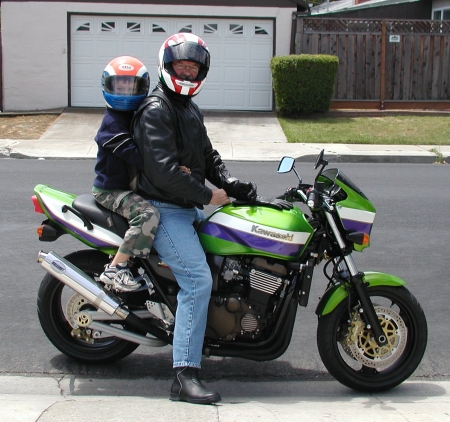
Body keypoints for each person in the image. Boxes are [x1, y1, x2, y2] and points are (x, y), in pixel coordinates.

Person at [131, 33, 257, 404]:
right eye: (182, 66)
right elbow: (166, 171)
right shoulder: (157, 109)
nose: (187, 72)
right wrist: (209, 194)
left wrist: (232, 184)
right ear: (167, 66)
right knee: (199, 281)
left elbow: (207, 155)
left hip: (186, 207)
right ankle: (184, 376)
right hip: (165, 210)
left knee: (227, 263)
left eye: (193, 67)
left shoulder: (188, 107)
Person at [92, 56, 160, 292]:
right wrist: (168, 167)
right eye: (118, 86)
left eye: (130, 86)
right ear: (108, 86)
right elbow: (136, 156)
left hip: (127, 186)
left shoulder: (132, 116)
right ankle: (116, 269)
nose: (123, 92)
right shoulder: (112, 123)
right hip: (110, 190)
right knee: (148, 214)